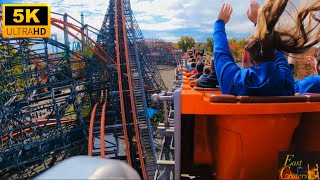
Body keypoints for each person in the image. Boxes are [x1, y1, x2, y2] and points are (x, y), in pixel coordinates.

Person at [214, 1, 320, 96]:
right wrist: (259, 22)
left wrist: (220, 22)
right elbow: (276, 52)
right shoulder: (286, 81)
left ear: (245, 56)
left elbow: (221, 52)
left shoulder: (234, 81)